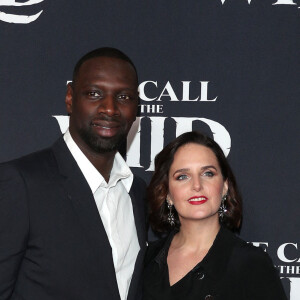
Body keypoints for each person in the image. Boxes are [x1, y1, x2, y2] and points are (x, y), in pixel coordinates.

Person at [0, 47, 147, 300]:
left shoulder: (138, 193)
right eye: (94, 93)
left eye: (124, 97)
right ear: (70, 98)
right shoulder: (21, 183)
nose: (109, 109)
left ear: (136, 108)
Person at [143, 131, 287, 300]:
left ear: (225, 186)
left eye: (208, 173)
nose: (197, 185)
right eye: (182, 176)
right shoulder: (148, 258)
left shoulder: (251, 264)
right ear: (167, 193)